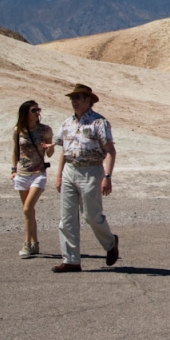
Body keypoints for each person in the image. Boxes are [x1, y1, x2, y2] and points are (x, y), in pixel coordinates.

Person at [52, 84, 119, 273]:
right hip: (69, 171)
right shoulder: (67, 123)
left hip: (91, 171)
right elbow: (63, 152)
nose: (74, 101)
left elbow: (110, 151)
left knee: (91, 215)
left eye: (78, 98)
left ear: (88, 100)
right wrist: (58, 176)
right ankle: (71, 260)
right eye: (72, 98)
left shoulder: (99, 122)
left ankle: (110, 242)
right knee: (66, 218)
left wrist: (107, 176)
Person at [11, 100, 55, 258]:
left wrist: (50, 147)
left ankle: (27, 244)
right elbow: (16, 150)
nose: (37, 113)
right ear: (25, 113)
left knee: (27, 208)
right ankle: (35, 243)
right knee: (29, 212)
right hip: (22, 174)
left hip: (38, 174)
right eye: (33, 110)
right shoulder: (19, 130)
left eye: (38, 110)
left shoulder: (45, 129)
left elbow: (50, 154)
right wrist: (13, 170)